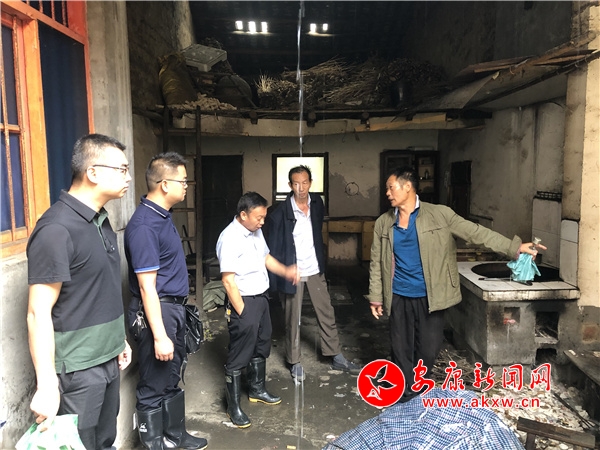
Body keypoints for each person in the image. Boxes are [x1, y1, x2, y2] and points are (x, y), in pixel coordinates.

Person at [367, 166, 546, 403]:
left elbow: (476, 233)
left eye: (391, 187)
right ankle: (405, 396)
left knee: (428, 349)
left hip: (431, 296)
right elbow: (377, 262)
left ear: (407, 186)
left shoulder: (440, 215)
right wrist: (376, 296)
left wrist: (515, 248)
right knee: (400, 348)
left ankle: (416, 389)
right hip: (398, 294)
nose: (387, 193)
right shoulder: (383, 223)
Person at [26, 134, 133, 449]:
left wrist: (118, 339)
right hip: (77, 370)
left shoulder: (100, 220)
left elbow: (97, 291)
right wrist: (47, 385)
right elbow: (37, 312)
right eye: (122, 169)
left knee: (105, 440)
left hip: (108, 359)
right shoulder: (56, 229)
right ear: (93, 173)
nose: (128, 177)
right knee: (79, 444)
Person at [125, 152, 207, 450]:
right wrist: (159, 336)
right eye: (182, 181)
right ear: (164, 184)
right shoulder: (145, 225)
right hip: (157, 310)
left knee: (171, 375)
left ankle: (176, 435)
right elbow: (146, 287)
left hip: (172, 308)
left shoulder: (162, 216)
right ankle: (154, 444)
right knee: (154, 382)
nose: (186, 186)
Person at [264, 165, 361, 381]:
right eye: (296, 183)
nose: (301, 188)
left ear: (310, 183)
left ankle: (335, 354)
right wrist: (280, 276)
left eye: (305, 182)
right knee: (292, 319)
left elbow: (317, 233)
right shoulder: (279, 213)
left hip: (315, 268)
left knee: (326, 311)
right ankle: (294, 361)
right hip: (293, 271)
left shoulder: (317, 203)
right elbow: (274, 248)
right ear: (290, 185)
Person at [216, 192, 299, 428]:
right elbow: (228, 280)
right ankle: (233, 407)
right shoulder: (229, 238)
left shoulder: (255, 231)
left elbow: (266, 257)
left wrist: (286, 271)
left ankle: (256, 389)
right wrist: (242, 311)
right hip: (244, 300)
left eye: (264, 217)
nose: (262, 222)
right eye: (258, 217)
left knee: (261, 344)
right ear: (243, 215)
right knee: (239, 352)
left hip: (261, 297)